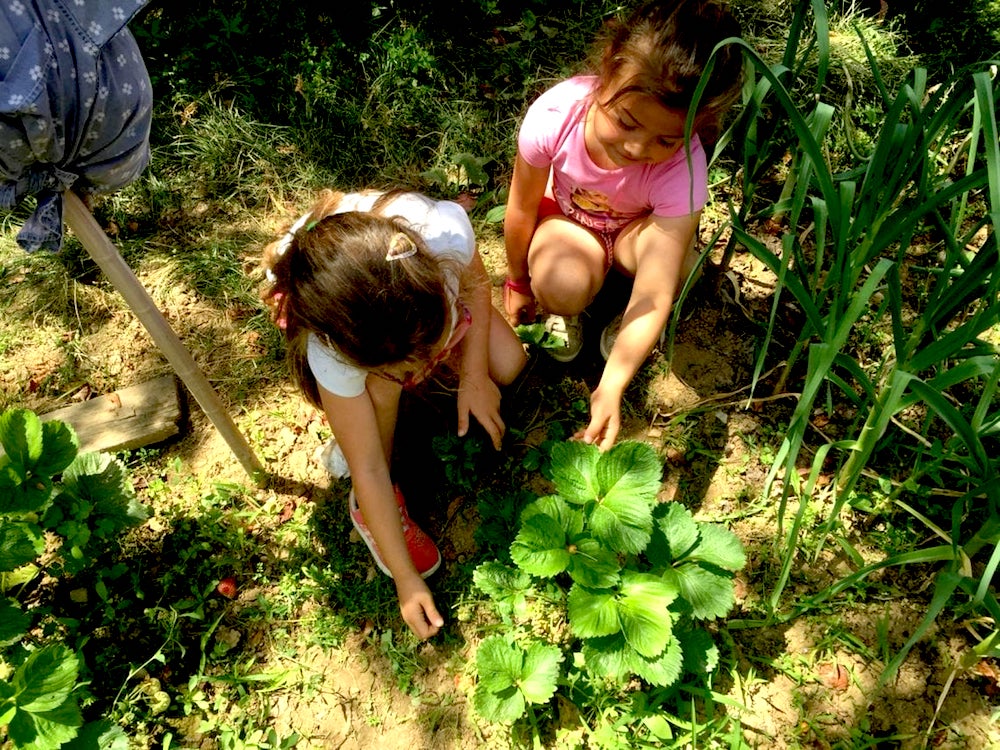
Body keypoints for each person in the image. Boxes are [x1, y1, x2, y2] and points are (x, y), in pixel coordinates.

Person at [262, 189, 526, 639]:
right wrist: (405, 579)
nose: (424, 367)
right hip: (342, 305)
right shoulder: (333, 354)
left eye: (431, 346)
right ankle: (372, 504)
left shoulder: (443, 239)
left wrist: (474, 376)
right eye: (408, 366)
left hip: (384, 289)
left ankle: (408, 371)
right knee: (376, 431)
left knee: (510, 363)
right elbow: (365, 467)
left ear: (433, 283)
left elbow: (478, 289)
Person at [503, 0, 743, 450]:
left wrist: (612, 384)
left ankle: (624, 330)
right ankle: (568, 307)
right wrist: (517, 279)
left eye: (666, 140)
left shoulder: (685, 169)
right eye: (626, 122)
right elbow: (521, 206)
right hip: (570, 223)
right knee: (562, 282)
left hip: (637, 234)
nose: (637, 148)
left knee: (680, 269)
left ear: (698, 126)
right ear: (607, 71)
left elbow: (655, 291)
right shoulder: (557, 117)